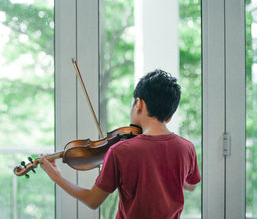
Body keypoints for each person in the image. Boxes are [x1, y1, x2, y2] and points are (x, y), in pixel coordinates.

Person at [40, 69, 201, 219]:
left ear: (139, 104)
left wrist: (56, 176)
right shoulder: (186, 148)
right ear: (169, 116)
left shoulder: (120, 151)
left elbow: (92, 201)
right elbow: (191, 185)